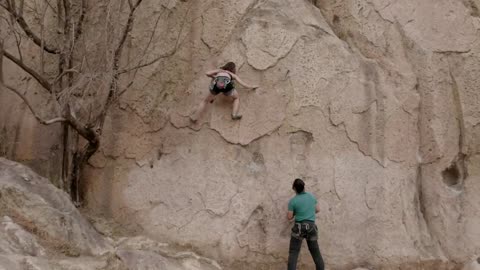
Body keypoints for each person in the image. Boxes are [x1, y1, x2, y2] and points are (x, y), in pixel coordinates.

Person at [190, 62, 258, 122]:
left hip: (216, 85)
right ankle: (234, 114)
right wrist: (251, 86)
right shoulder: (231, 74)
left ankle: (194, 117)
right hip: (227, 86)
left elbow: (207, 73)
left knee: (204, 101)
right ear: (233, 69)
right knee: (236, 98)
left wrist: (214, 76)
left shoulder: (220, 71)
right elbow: (242, 83)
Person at [287, 178, 325, 270]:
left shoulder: (293, 201)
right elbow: (318, 209)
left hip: (299, 228)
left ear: (294, 188)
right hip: (311, 227)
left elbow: (289, 217)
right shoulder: (311, 197)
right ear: (304, 187)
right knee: (315, 252)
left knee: (294, 252)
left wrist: (297, 212)